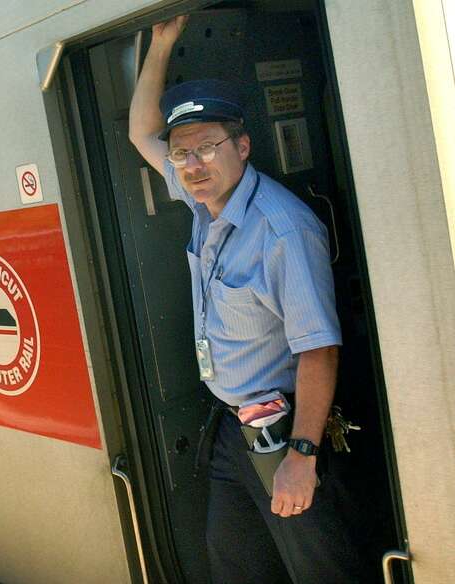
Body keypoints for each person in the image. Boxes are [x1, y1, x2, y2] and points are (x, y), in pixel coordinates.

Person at [129, 15, 363, 584]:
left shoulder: (282, 230)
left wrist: (302, 458)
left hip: (285, 432)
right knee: (236, 566)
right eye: (181, 154)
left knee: (320, 570)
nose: (192, 165)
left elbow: (319, 350)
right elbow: (142, 132)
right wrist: (160, 44)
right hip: (235, 432)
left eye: (207, 148)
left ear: (243, 145)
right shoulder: (202, 207)